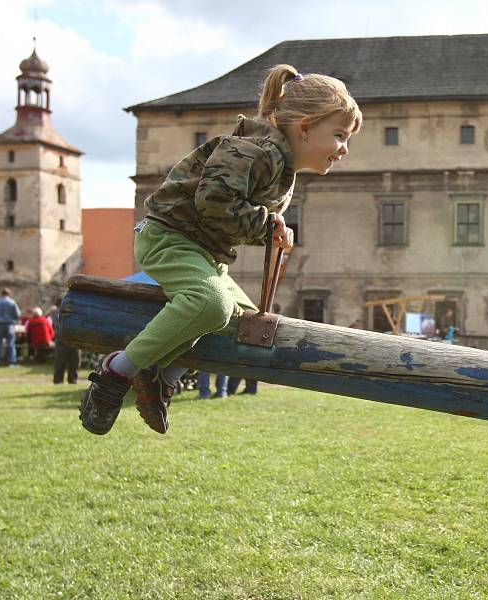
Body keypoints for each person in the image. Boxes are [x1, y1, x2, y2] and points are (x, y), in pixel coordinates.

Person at [79, 64, 362, 435]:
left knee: (245, 322)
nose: (344, 149)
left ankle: (162, 376)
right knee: (211, 303)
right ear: (305, 128)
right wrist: (267, 225)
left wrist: (272, 230)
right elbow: (214, 202)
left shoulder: (282, 168)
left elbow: (240, 216)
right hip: (169, 237)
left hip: (204, 253)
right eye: (340, 135)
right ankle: (116, 371)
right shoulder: (254, 151)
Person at [0, 288, 21, 367]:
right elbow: (18, 314)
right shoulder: (12, 302)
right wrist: (13, 320)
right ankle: (12, 363)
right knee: (11, 343)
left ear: (1, 293)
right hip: (9, 325)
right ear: (9, 294)